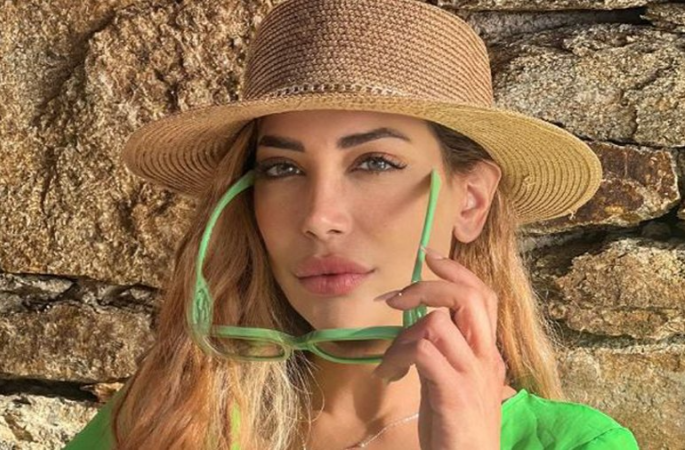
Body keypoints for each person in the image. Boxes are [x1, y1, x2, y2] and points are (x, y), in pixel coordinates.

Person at [63, 0, 640, 448]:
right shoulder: (162, 421)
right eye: (282, 168)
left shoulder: (576, 444)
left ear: (470, 201)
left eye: (375, 162)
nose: (320, 218)